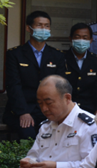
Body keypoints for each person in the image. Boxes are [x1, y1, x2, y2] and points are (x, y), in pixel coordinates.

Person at [4, 11, 66, 139]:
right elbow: (14, 85)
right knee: (28, 136)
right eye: (39, 25)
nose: (43, 29)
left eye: (47, 26)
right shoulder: (15, 54)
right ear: (29, 28)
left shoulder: (57, 55)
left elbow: (60, 86)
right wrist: (23, 112)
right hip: (23, 110)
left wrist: (56, 112)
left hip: (49, 110)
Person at [64, 23, 97, 115]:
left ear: (91, 40)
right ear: (70, 39)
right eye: (77, 37)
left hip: (90, 109)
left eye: (85, 38)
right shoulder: (62, 59)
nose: (81, 40)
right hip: (66, 108)